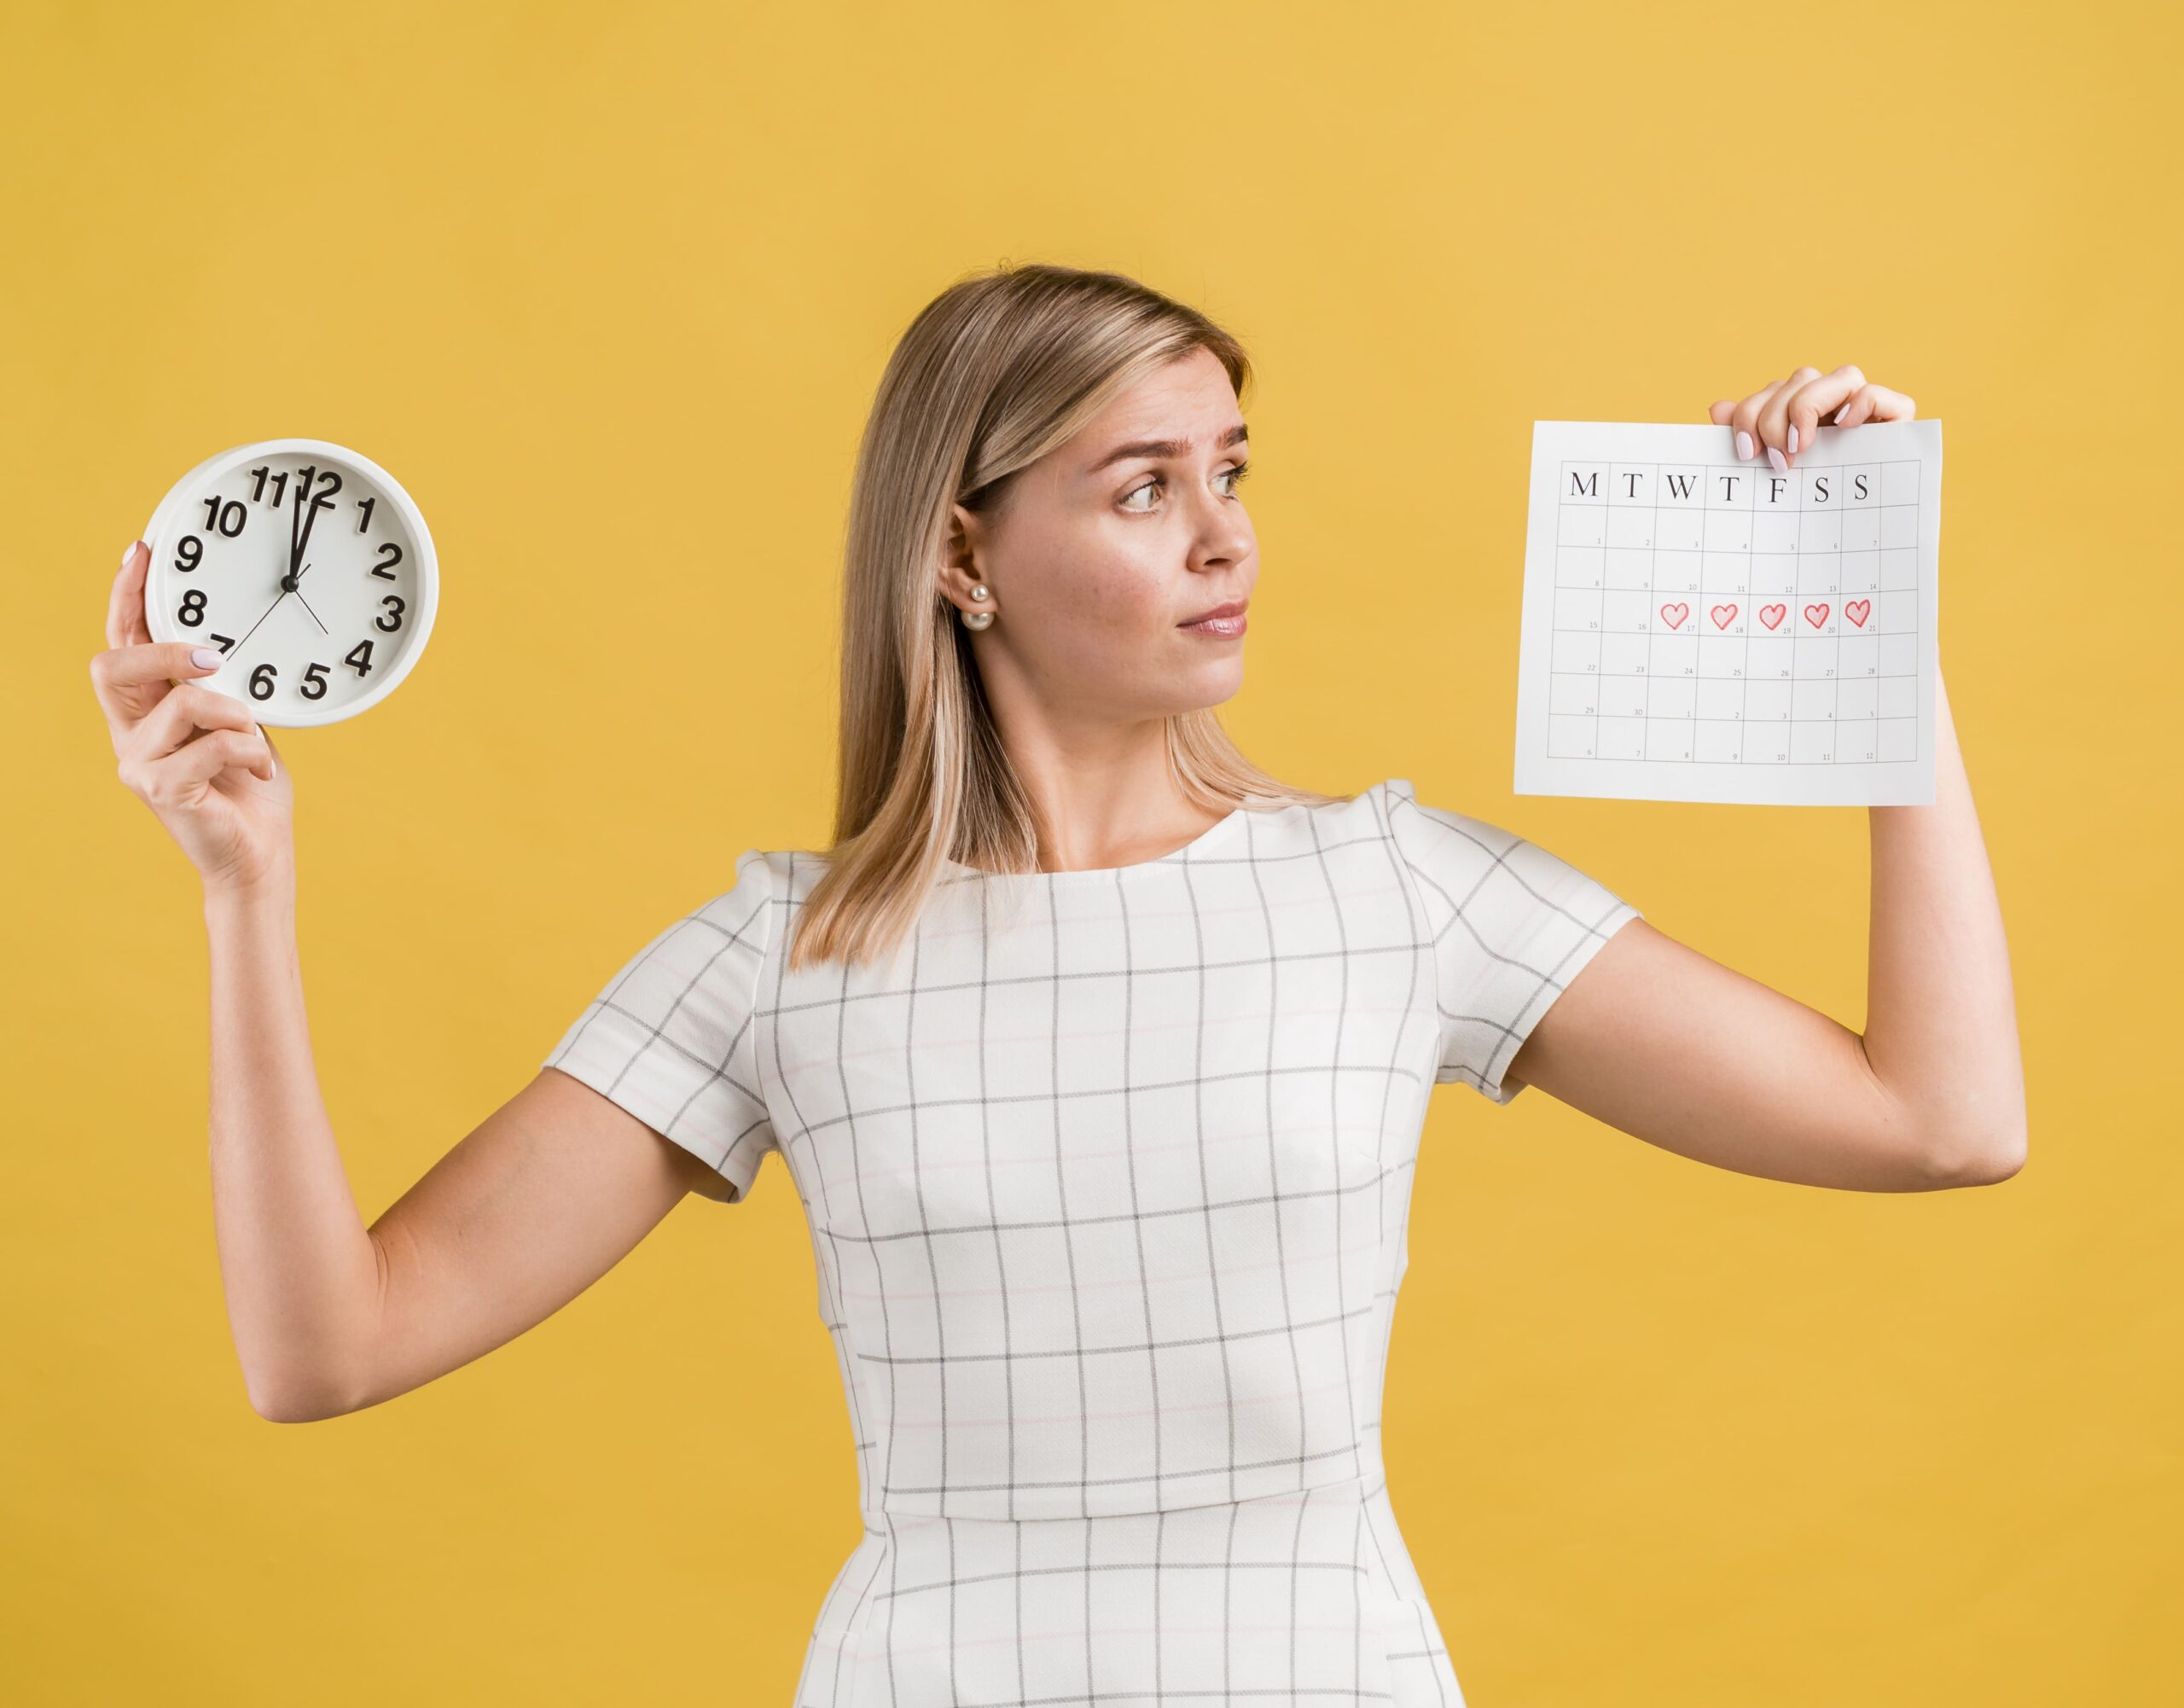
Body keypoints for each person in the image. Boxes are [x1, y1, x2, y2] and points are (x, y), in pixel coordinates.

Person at [92, 262, 2025, 1708]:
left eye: (1232, 470)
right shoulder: (787, 955)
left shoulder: (1395, 891)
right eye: (1140, 486)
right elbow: (323, 1347)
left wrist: (1875, 628)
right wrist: (242, 889)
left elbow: (1939, 1118)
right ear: (962, 550)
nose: (1226, 534)